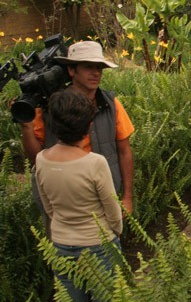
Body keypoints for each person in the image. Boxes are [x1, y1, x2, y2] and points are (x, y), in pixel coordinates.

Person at [35, 90, 122, 302]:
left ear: (53, 124)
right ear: (87, 126)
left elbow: (48, 207)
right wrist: (115, 234)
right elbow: (112, 209)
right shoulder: (94, 163)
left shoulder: (42, 159)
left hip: (61, 245)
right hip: (99, 246)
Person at [19, 41, 134, 220]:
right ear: (72, 70)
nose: (96, 73)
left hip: (103, 196)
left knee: (107, 244)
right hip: (61, 203)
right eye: (89, 67)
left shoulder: (111, 105)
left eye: (99, 68)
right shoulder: (51, 106)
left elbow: (125, 151)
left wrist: (127, 197)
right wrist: (26, 127)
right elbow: (36, 159)